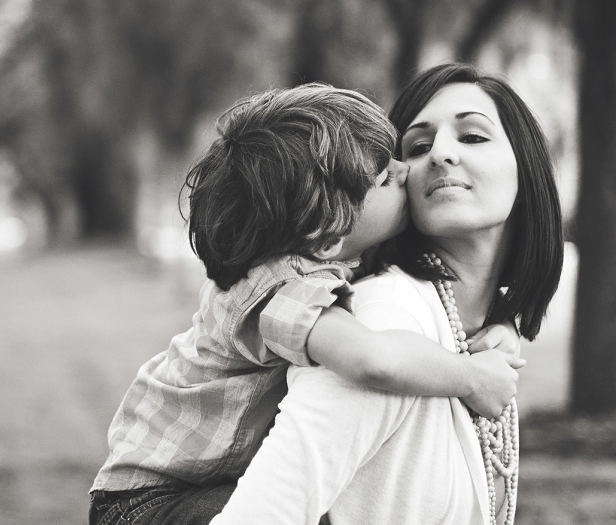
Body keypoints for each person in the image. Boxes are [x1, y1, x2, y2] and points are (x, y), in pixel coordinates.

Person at [89, 82, 523, 525]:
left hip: (198, 484)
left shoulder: (323, 256)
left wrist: (504, 326)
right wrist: (471, 378)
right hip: (149, 502)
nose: (405, 171)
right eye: (384, 177)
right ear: (330, 234)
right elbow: (374, 360)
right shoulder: (282, 289)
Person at [210, 63, 565, 525]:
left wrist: (503, 324)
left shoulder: (468, 330)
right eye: (417, 146)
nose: (439, 154)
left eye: (472, 137)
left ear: (527, 168)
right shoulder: (387, 316)